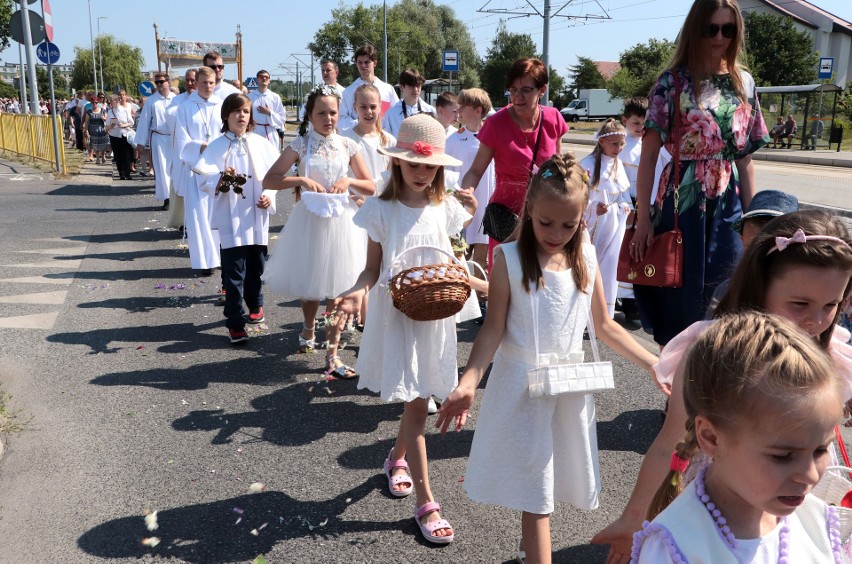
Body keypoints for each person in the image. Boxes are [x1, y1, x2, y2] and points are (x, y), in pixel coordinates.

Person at [591, 209, 852, 561]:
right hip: (724, 508)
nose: (816, 322)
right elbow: (668, 442)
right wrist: (634, 518)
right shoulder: (713, 352)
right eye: (800, 304)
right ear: (760, 285)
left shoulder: (832, 350)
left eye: (832, 305)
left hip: (800, 507)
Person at [436, 154, 657, 563]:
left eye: (569, 225)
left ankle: (525, 548)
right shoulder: (509, 259)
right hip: (522, 388)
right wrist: (469, 380)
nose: (557, 233)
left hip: (568, 391)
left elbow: (605, 325)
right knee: (538, 497)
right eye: (546, 223)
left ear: (583, 219)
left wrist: (652, 363)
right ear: (529, 211)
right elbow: (492, 329)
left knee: (546, 483)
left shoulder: (586, 258)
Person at [333, 113, 476, 546]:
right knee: (416, 403)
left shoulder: (444, 207)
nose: (421, 172)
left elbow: (449, 257)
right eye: (413, 164)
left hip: (435, 316)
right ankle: (427, 503)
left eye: (429, 166)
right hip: (397, 315)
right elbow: (372, 269)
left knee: (418, 399)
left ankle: (395, 460)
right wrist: (357, 290)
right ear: (396, 162)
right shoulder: (380, 208)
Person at [631, 311, 845, 562]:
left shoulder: (815, 518)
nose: (810, 475)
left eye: (821, 450)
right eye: (783, 456)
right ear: (711, 438)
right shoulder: (676, 547)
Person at [629, 0, 770, 347]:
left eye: (728, 29)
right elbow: (648, 157)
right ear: (696, 29)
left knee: (726, 295)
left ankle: (710, 388)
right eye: (711, 29)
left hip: (728, 204)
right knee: (678, 295)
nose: (719, 37)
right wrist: (643, 218)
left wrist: (753, 222)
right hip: (682, 201)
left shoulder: (744, 83)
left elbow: (745, 159)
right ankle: (677, 389)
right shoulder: (672, 82)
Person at [262, 84, 376, 379]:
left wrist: (349, 182)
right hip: (310, 221)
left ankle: (333, 354)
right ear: (310, 116)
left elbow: (371, 185)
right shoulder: (300, 144)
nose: (328, 118)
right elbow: (270, 179)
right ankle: (309, 326)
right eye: (321, 113)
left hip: (343, 223)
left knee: (340, 287)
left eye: (333, 112)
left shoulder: (349, 145)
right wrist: (299, 179)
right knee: (310, 281)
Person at [460, 57, 568, 270]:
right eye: (513, 89)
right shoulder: (496, 124)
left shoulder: (554, 119)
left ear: (542, 89)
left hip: (546, 216)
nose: (517, 97)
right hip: (506, 221)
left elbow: (561, 170)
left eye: (526, 90)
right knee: (506, 281)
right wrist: (466, 193)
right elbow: (475, 171)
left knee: (542, 280)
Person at [193, 93, 281, 344]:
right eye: (236, 112)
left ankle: (255, 303)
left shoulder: (261, 143)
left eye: (245, 111)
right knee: (234, 271)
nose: (241, 116)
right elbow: (204, 176)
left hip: (256, 215)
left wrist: (269, 195)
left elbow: (274, 175)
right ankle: (235, 320)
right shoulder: (217, 146)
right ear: (226, 115)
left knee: (257, 265)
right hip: (230, 216)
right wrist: (220, 177)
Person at [174, 66, 224, 276]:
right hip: (196, 168)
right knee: (199, 216)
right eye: (204, 82)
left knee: (219, 214)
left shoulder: (222, 105)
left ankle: (221, 257)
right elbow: (181, 140)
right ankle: (205, 261)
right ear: (196, 83)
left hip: (217, 168)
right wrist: (199, 147)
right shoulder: (185, 107)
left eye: (211, 83)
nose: (207, 86)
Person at [581, 119, 631, 318]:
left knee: (609, 265)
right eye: (614, 144)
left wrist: (626, 205)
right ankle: (586, 313)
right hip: (596, 225)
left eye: (621, 144)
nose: (618, 148)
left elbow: (621, 193)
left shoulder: (618, 164)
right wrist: (593, 208)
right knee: (592, 264)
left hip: (614, 224)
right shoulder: (587, 165)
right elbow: (580, 196)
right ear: (602, 142)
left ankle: (603, 313)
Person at [445, 87, 495, 275]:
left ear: (478, 110)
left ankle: (481, 300)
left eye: (463, 106)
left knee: (481, 262)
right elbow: (445, 173)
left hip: (485, 210)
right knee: (460, 259)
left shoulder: (491, 138)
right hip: (461, 209)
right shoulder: (453, 140)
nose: (459, 110)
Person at [615, 97, 649, 322]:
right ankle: (626, 299)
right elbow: (616, 176)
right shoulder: (621, 144)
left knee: (641, 252)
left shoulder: (650, 142)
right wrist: (627, 203)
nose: (640, 127)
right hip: (626, 204)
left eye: (644, 122)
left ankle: (638, 296)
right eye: (636, 122)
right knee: (624, 251)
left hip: (644, 205)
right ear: (624, 120)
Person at [340, 83, 397, 192]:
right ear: (355, 107)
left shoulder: (390, 141)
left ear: (380, 107)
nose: (368, 112)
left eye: (373, 106)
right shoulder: (345, 139)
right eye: (363, 107)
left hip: (383, 201)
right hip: (356, 203)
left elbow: (392, 177)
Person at [135, 72, 176, 210]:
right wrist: (140, 142)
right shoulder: (152, 101)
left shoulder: (176, 100)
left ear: (168, 82)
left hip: (175, 138)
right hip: (158, 137)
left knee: (176, 168)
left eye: (161, 82)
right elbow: (144, 122)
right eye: (156, 82)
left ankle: (178, 197)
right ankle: (167, 198)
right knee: (162, 168)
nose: (159, 84)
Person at [164, 68, 198, 228]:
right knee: (183, 186)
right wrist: (187, 111)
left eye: (193, 80)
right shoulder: (179, 100)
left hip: (202, 151)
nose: (190, 83)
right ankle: (184, 222)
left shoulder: (206, 100)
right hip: (183, 152)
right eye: (188, 80)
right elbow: (170, 114)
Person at [339, 44, 399, 131]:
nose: (363, 66)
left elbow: (397, 115)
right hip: (359, 138)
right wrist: (362, 123)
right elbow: (341, 119)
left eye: (367, 62)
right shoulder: (348, 92)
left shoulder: (388, 89)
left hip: (384, 139)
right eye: (360, 62)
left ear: (374, 63)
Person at [383, 68, 435, 138]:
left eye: (418, 85)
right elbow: (387, 142)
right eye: (411, 86)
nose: (416, 90)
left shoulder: (430, 110)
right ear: (401, 87)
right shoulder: (391, 114)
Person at [248, 69, 286, 149]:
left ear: (269, 80)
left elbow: (282, 118)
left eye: (266, 77)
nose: (264, 79)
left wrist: (269, 112)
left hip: (270, 132)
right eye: (261, 77)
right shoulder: (250, 97)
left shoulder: (275, 97)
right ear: (257, 80)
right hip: (255, 131)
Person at [107, 90, 137, 181]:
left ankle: (127, 173)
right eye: (112, 101)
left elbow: (131, 122)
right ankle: (121, 173)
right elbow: (106, 127)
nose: (114, 103)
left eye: (115, 100)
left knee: (127, 155)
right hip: (114, 135)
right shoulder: (110, 112)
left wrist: (124, 125)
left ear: (118, 101)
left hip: (124, 134)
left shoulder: (124, 110)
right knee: (118, 155)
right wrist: (111, 126)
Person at [83, 93, 109, 165]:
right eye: (93, 102)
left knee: (103, 143)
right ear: (91, 103)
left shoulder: (103, 110)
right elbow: (86, 122)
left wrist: (104, 118)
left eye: (96, 102)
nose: (94, 104)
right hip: (93, 130)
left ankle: (103, 155)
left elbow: (107, 119)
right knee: (95, 144)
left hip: (102, 129)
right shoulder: (89, 112)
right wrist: (86, 130)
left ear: (98, 103)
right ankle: (97, 157)